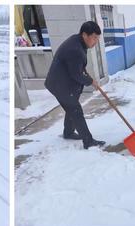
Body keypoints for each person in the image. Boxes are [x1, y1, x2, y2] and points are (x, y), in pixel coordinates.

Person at [45, 21, 105, 150]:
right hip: (60, 84)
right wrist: (90, 81)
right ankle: (88, 141)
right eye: (94, 37)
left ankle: (68, 132)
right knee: (75, 110)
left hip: (61, 81)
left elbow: (77, 68)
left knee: (71, 107)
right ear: (84, 35)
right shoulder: (75, 49)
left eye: (97, 38)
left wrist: (86, 76)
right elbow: (76, 75)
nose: (96, 41)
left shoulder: (77, 41)